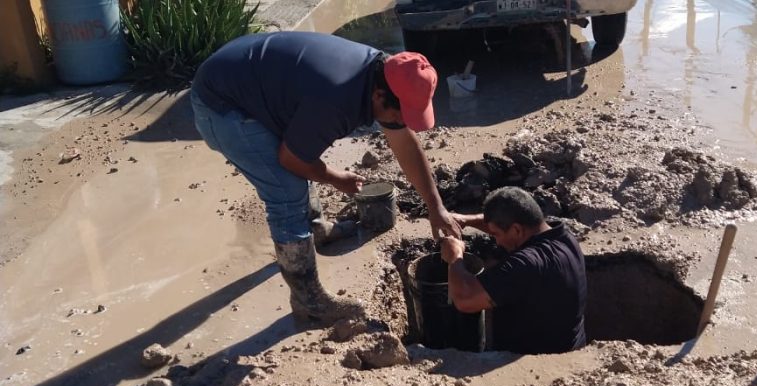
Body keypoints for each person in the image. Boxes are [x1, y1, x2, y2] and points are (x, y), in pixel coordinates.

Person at [190, 31, 461, 325]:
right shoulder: (336, 98)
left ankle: (316, 229)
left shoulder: (386, 74)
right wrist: (335, 178)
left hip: (252, 80)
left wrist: (437, 207)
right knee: (287, 190)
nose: (400, 123)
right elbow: (291, 159)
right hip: (221, 105)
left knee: (304, 147)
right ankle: (310, 301)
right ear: (379, 96)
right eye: (400, 115)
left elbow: (404, 142)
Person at [440, 187, 586, 354]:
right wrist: (466, 220)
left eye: (496, 234)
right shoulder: (564, 236)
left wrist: (455, 256)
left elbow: (465, 300)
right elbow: (511, 221)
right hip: (570, 347)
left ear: (517, 229)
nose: (497, 242)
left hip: (536, 365)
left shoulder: (526, 265)